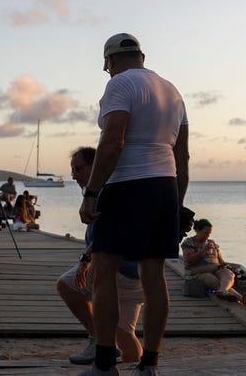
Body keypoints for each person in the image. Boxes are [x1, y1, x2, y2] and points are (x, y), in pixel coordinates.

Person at [79, 33, 189, 376]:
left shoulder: (120, 85)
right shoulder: (172, 91)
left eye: (107, 67)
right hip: (165, 186)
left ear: (110, 62)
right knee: (153, 276)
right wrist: (177, 204)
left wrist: (92, 192)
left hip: (126, 184)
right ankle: (149, 365)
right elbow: (182, 155)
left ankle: (104, 364)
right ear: (141, 56)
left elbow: (113, 140)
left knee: (103, 271)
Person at [59, 146, 145, 367]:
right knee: (125, 334)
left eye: (77, 169)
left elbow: (109, 232)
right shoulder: (115, 186)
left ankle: (98, 342)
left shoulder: (104, 190)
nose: (73, 175)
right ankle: (135, 367)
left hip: (118, 270)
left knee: (67, 286)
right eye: (72, 170)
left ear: (94, 166)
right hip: (138, 274)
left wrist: (85, 260)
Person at [181, 219, 244, 303]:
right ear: (197, 230)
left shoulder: (212, 243)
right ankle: (239, 297)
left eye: (209, 233)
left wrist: (226, 266)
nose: (208, 236)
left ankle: (223, 291)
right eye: (205, 233)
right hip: (197, 273)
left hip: (215, 269)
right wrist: (203, 250)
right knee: (210, 278)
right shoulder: (189, 242)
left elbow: (221, 261)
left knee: (228, 273)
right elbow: (189, 261)